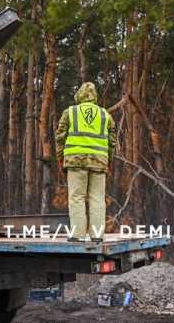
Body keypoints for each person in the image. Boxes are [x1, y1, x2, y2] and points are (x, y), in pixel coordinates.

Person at [54, 82, 116, 242]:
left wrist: (60, 157)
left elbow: (59, 137)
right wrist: (108, 160)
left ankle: (77, 235)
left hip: (75, 161)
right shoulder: (105, 115)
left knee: (77, 197)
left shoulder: (70, 112)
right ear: (95, 97)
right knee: (97, 198)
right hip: (99, 162)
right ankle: (97, 236)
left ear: (79, 96)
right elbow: (112, 141)